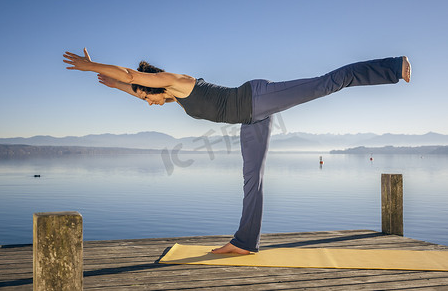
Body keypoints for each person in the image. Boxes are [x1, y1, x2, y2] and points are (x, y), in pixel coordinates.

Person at [63, 48, 411, 255]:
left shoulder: (176, 81)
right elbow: (131, 81)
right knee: (252, 179)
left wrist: (92, 67)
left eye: (145, 96)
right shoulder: (175, 98)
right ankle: (245, 241)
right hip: (251, 118)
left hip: (255, 99)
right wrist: (113, 84)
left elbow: (131, 73)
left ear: (154, 85)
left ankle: (393, 67)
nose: (149, 102)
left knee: (326, 84)